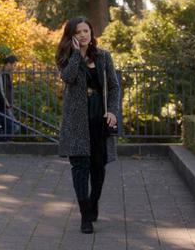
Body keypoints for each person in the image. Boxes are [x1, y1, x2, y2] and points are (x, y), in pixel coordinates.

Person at [56, 16, 120, 234]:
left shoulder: (103, 57)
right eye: (78, 32)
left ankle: (93, 203)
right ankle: (85, 216)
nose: (83, 35)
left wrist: (112, 110)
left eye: (86, 31)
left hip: (99, 118)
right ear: (71, 36)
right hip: (76, 121)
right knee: (80, 168)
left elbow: (114, 87)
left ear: (91, 33)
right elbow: (68, 78)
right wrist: (76, 54)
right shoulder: (64, 56)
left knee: (98, 167)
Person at [0, 55, 19, 136]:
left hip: (8, 106)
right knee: (14, 127)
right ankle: (2, 141)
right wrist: (6, 103)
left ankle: (2, 141)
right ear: (8, 64)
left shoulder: (8, 75)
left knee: (12, 127)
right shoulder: (0, 74)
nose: (14, 67)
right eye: (14, 65)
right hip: (2, 106)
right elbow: (1, 90)